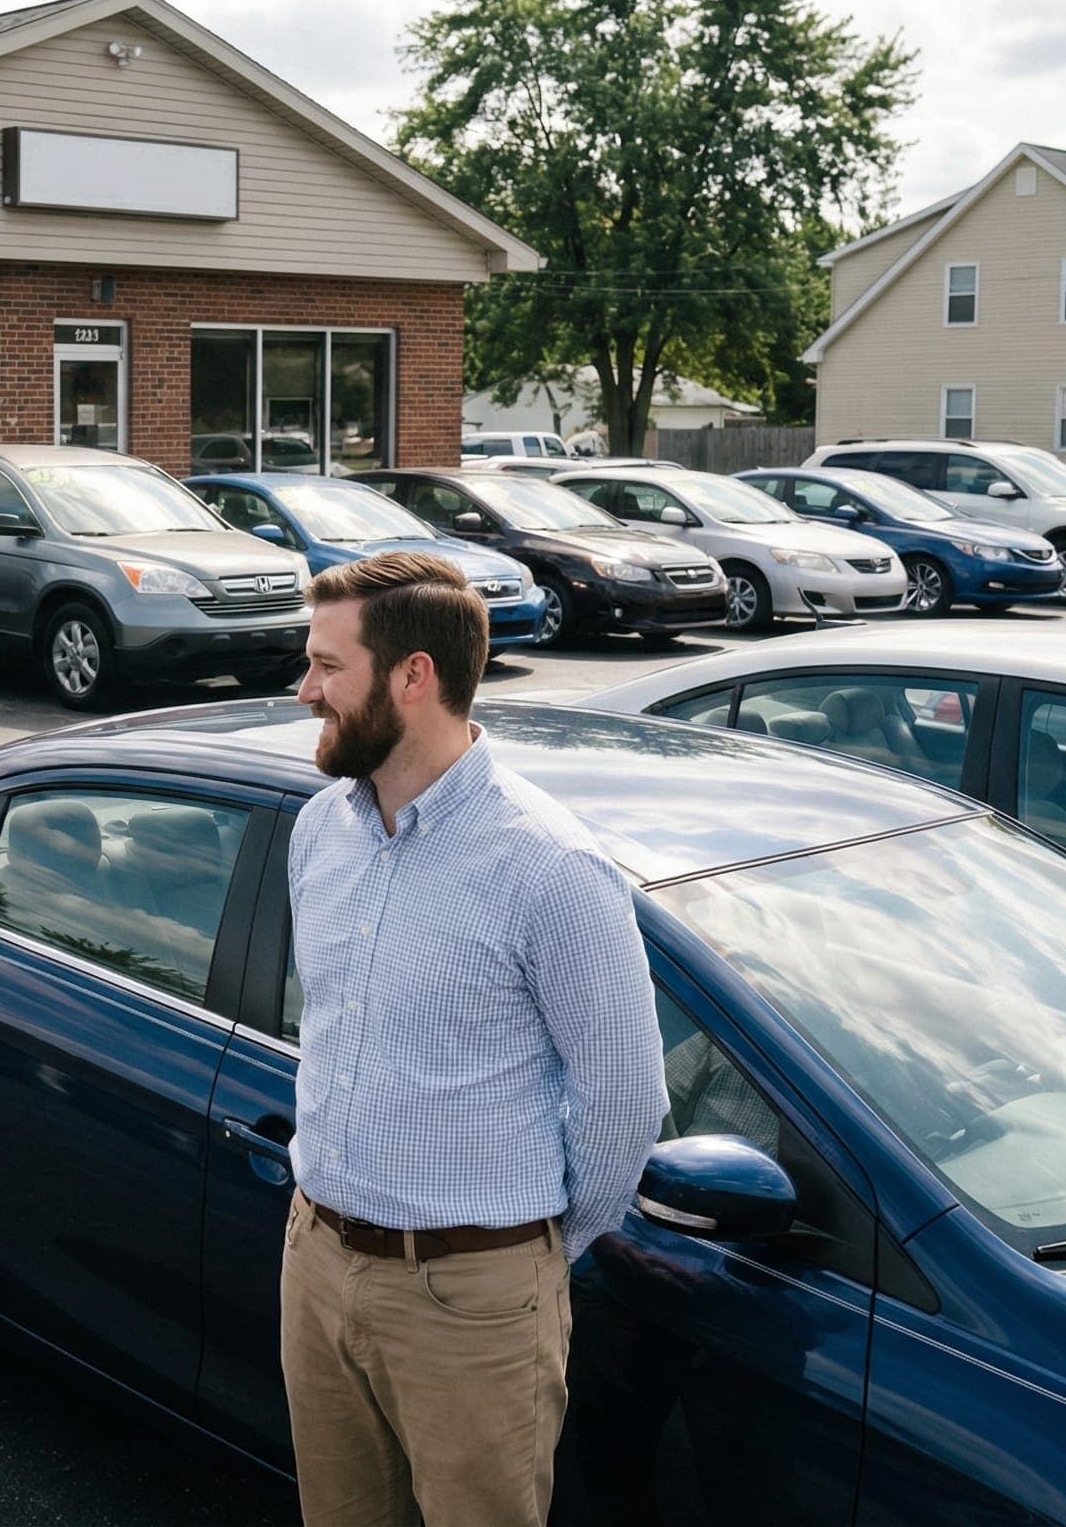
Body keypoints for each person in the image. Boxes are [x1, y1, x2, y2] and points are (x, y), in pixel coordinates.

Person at [280, 550, 665, 1527]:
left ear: (414, 676)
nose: (304, 688)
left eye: (328, 665)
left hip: (474, 1301)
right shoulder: (319, 829)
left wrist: (522, 1256)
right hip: (317, 1260)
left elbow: (625, 1106)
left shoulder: (551, 869)